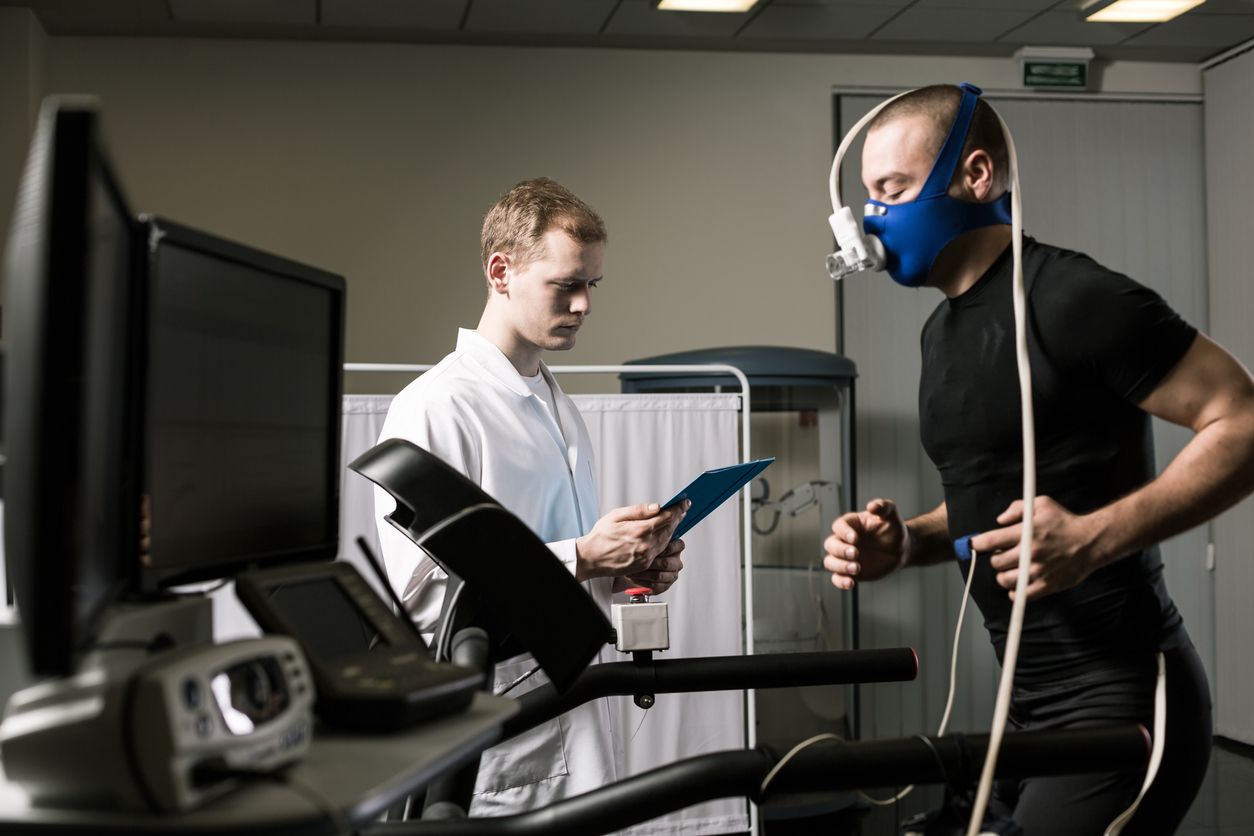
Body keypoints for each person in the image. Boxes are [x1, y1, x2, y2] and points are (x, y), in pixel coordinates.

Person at [823, 84, 1254, 835]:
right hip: (1023, 698)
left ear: (976, 175)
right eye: (868, 195)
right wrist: (908, 542)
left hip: (1121, 694)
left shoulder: (1073, 297)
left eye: (892, 189)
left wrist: (1098, 537)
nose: (874, 215)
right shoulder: (942, 333)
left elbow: (1243, 420)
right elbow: (994, 500)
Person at [374, 177, 688, 816]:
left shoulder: (556, 403)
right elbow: (421, 597)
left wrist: (629, 565)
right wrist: (585, 556)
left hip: (572, 701)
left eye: (592, 285)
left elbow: (555, 569)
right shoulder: (437, 407)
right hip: (497, 727)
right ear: (501, 272)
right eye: (565, 284)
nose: (583, 304)